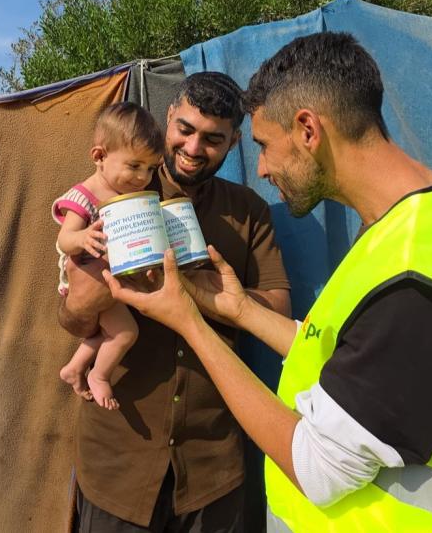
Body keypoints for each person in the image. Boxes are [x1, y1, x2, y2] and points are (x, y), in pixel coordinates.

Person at [105, 32, 432, 532]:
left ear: (308, 130)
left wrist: (190, 324)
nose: (262, 168)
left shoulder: (420, 282)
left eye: (264, 146)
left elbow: (318, 467)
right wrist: (241, 310)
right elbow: (355, 359)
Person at [59, 72, 292, 532]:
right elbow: (70, 317)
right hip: (118, 463)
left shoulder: (248, 211)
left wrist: (201, 288)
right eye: (184, 129)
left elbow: (279, 312)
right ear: (168, 117)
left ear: (234, 142)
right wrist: (106, 283)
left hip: (212, 467)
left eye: (212, 139)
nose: (192, 147)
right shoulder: (116, 195)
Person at [54, 102, 164, 410]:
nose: (143, 177)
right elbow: (64, 240)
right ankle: (99, 376)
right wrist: (82, 237)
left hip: (112, 284)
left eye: (150, 168)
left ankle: (74, 368)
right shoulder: (84, 195)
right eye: (134, 166)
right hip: (86, 282)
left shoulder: (125, 197)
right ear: (99, 157)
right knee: (126, 332)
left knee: (111, 331)